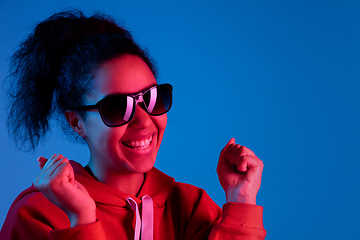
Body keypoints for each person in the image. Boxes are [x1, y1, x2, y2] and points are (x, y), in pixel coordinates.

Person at [0, 10, 266, 240]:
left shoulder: (190, 207)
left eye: (152, 98)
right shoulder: (36, 215)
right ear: (76, 122)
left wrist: (241, 199)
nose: (143, 120)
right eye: (117, 107)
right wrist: (80, 220)